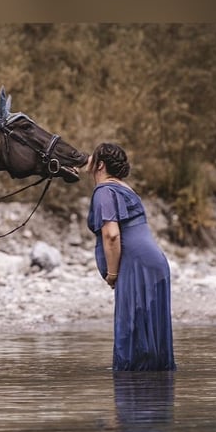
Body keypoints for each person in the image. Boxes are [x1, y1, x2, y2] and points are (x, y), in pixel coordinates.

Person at [86, 143, 176, 371]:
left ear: (101, 164)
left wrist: (113, 273)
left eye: (92, 157)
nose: (87, 159)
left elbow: (112, 235)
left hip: (137, 265)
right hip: (153, 263)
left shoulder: (104, 191)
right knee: (150, 331)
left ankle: (131, 395)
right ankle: (156, 395)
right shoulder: (123, 187)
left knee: (131, 329)